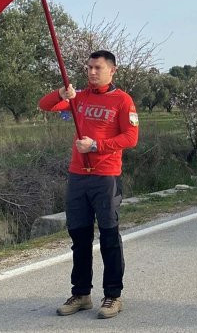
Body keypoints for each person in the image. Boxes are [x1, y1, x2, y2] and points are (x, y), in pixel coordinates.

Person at [39, 50, 139, 319]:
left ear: (112, 70)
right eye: (89, 68)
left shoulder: (122, 100)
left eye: (97, 68)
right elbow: (45, 105)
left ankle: (113, 295)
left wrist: (97, 145)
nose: (92, 72)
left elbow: (131, 137)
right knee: (79, 237)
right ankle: (81, 294)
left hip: (106, 177)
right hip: (77, 176)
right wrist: (61, 94)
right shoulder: (79, 97)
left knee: (109, 237)